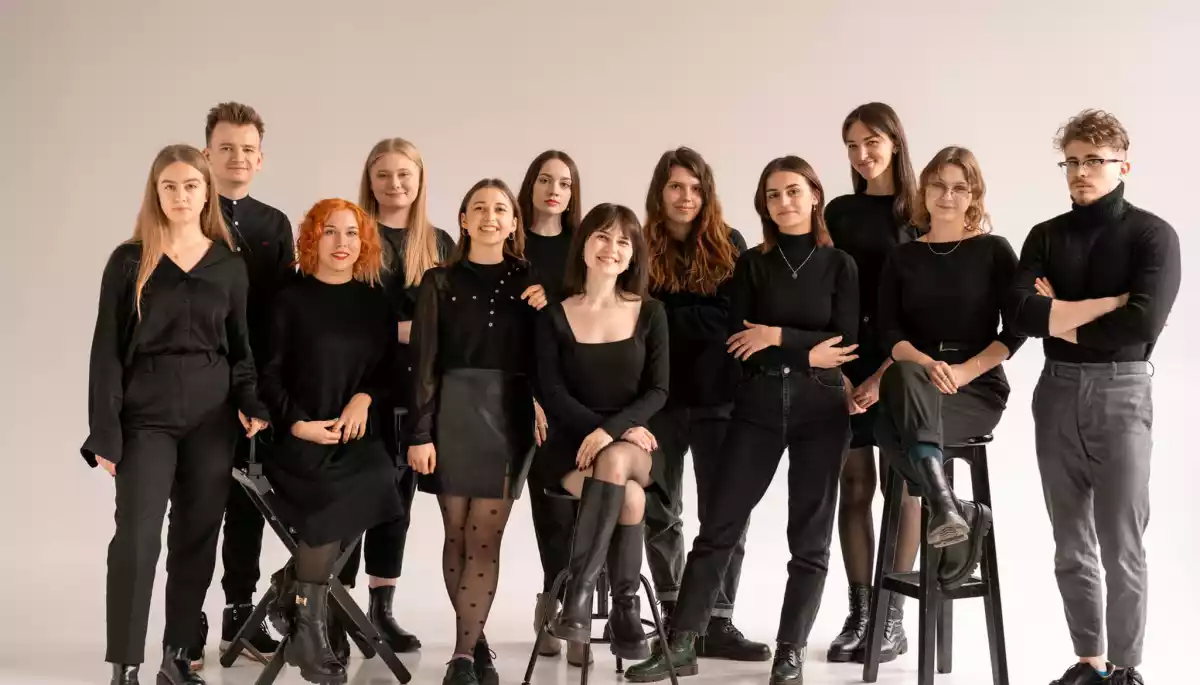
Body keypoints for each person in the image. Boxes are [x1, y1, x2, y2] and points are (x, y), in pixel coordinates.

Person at [626, 156, 861, 684]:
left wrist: (776, 337)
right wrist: (804, 348)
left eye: (793, 191)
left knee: (809, 538)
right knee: (719, 527)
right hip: (756, 405)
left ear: (815, 195)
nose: (784, 202)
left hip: (821, 408)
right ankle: (682, 643)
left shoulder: (839, 264)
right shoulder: (753, 263)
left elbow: (844, 344)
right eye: (773, 195)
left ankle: (791, 650)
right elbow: (738, 341)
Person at [83, 144, 269, 685]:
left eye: (191, 185)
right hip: (146, 416)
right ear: (156, 193)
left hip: (212, 418)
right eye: (170, 186)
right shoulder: (129, 260)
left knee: (197, 535)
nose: (181, 196)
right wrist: (105, 432)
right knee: (137, 537)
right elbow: (106, 351)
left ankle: (176, 656)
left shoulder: (229, 265)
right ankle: (125, 666)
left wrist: (251, 402)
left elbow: (241, 349)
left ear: (207, 192)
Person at [1008, 110, 1180, 685]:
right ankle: (1090, 661)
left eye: (1094, 161)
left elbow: (1142, 323)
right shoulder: (1045, 235)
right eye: (1072, 161)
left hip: (1121, 392)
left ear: (1123, 166)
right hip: (1055, 392)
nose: (1080, 172)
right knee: (1069, 541)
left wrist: (1058, 315)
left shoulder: (1152, 235)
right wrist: (1108, 305)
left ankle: (1126, 669)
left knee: (1121, 542)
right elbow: (1021, 313)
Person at [257, 198, 405, 685]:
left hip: (354, 435)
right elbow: (269, 375)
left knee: (380, 477)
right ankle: (311, 630)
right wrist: (298, 424)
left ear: (364, 242)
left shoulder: (374, 302)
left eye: (351, 233)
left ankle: (292, 590)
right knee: (330, 496)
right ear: (312, 239)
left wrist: (364, 398)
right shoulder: (288, 299)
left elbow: (390, 370)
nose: (342, 243)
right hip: (298, 438)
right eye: (330, 232)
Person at [407, 179, 546, 685]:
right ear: (463, 220)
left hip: (509, 416)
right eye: (479, 208)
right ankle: (474, 640)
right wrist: (420, 432)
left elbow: (549, 354)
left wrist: (541, 401)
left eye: (500, 209)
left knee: (484, 536)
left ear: (513, 223)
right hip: (450, 411)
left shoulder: (532, 280)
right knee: (455, 533)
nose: (490, 216)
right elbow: (423, 363)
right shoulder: (437, 281)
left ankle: (462, 655)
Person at [872, 146, 1020, 609]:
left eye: (959, 187)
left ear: (974, 195)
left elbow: (1016, 330)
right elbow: (888, 331)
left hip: (975, 387)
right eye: (938, 185)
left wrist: (961, 371)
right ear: (924, 191)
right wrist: (924, 363)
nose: (947, 195)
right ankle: (950, 505)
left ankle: (947, 506)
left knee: (885, 423)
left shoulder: (994, 251)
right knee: (902, 379)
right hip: (915, 377)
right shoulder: (902, 257)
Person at [641, 147, 765, 661]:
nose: (685, 197)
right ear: (660, 192)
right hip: (658, 399)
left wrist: (666, 317)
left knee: (726, 513)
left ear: (707, 193)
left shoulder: (730, 244)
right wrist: (697, 316)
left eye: (695, 188)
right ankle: (675, 615)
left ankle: (717, 619)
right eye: (676, 186)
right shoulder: (639, 246)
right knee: (660, 511)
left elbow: (734, 321)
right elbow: (633, 320)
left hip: (721, 397)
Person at [535, 203, 669, 666]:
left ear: (633, 255)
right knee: (629, 498)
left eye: (623, 242)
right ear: (584, 245)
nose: (612, 248)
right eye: (603, 237)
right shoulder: (555, 314)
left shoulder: (650, 312)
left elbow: (659, 390)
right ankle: (624, 609)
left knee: (615, 460)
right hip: (571, 447)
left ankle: (578, 597)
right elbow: (552, 392)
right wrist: (594, 431)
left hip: (634, 444)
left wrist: (610, 431)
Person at [338, 137, 456, 654]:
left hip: (416, 391)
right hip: (356, 387)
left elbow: (455, 320)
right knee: (352, 499)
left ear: (420, 179)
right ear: (370, 180)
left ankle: (381, 610)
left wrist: (420, 334)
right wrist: (403, 330)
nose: (395, 184)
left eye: (404, 174)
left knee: (396, 503)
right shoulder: (351, 233)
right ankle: (334, 609)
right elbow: (337, 314)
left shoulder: (440, 243)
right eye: (383, 174)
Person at [192, 100, 294, 669]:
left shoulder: (273, 224)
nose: (237, 157)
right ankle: (188, 618)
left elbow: (282, 314)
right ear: (206, 154)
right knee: (195, 501)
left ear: (261, 158)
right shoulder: (185, 214)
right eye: (226, 147)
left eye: (247, 149)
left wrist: (267, 391)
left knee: (248, 501)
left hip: (254, 387)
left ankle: (239, 611)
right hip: (197, 383)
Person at [824, 102, 922, 664]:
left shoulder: (921, 210)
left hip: (902, 367)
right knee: (854, 485)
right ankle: (860, 614)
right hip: (846, 361)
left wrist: (886, 375)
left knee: (900, 488)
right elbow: (822, 289)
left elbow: (931, 302)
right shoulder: (838, 211)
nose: (862, 155)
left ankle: (892, 617)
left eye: (872, 142)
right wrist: (838, 370)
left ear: (895, 142)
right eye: (852, 145)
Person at [515, 149, 589, 664]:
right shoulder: (511, 243)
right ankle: (551, 604)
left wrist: (557, 299)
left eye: (564, 183)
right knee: (549, 507)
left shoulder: (583, 247)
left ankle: (576, 611)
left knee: (585, 507)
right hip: (527, 391)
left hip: (580, 390)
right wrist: (528, 396)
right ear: (531, 186)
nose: (554, 190)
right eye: (545, 180)